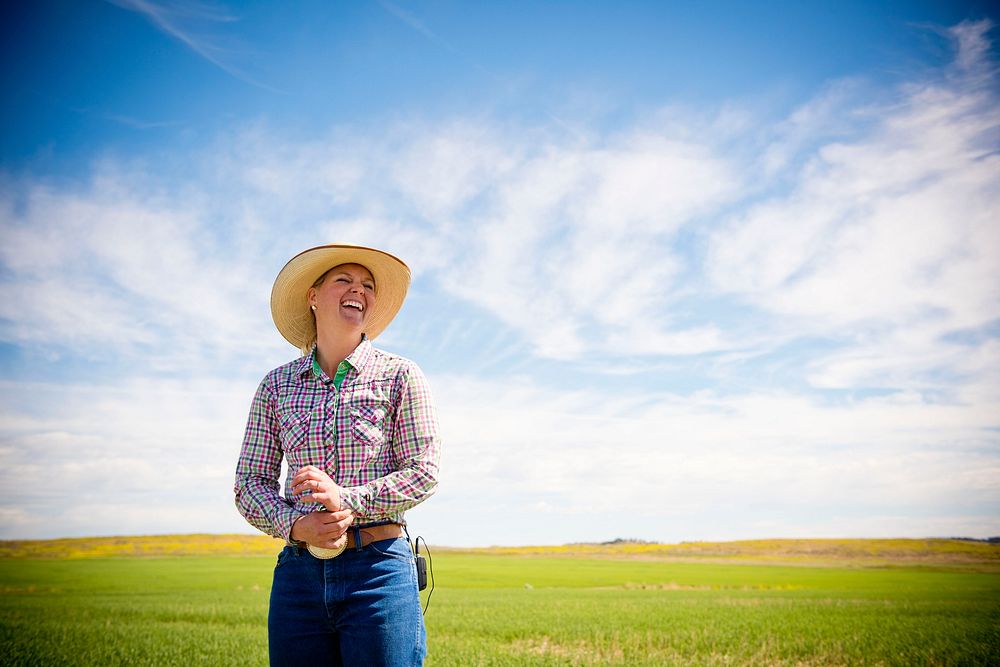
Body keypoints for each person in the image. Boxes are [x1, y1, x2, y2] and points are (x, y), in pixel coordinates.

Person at [234, 244, 441, 666]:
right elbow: (249, 484)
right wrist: (295, 524)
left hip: (379, 572)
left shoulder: (400, 374)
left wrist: (346, 499)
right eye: (344, 280)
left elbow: (424, 471)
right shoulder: (276, 385)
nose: (358, 290)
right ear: (313, 296)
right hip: (298, 577)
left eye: (367, 285)